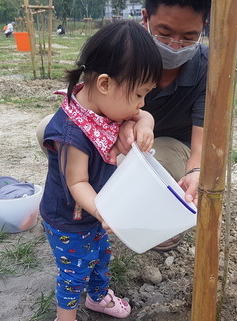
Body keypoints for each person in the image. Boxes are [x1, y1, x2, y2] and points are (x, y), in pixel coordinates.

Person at [38, 0, 210, 252]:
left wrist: (194, 171)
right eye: (164, 33)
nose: (174, 45)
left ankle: (146, 215)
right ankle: (90, 197)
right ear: (146, 19)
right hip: (119, 145)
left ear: (203, 27)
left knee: (153, 169)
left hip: (169, 146)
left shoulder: (206, 68)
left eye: (188, 37)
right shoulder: (125, 54)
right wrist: (103, 210)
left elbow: (199, 144)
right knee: (50, 131)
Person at [40, 20, 161, 321]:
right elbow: (77, 183)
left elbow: (142, 115)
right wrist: (103, 209)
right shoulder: (72, 132)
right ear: (105, 84)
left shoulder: (105, 107)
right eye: (139, 94)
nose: (142, 103)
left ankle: (96, 298)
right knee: (74, 269)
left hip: (94, 211)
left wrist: (145, 123)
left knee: (100, 255)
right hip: (68, 218)